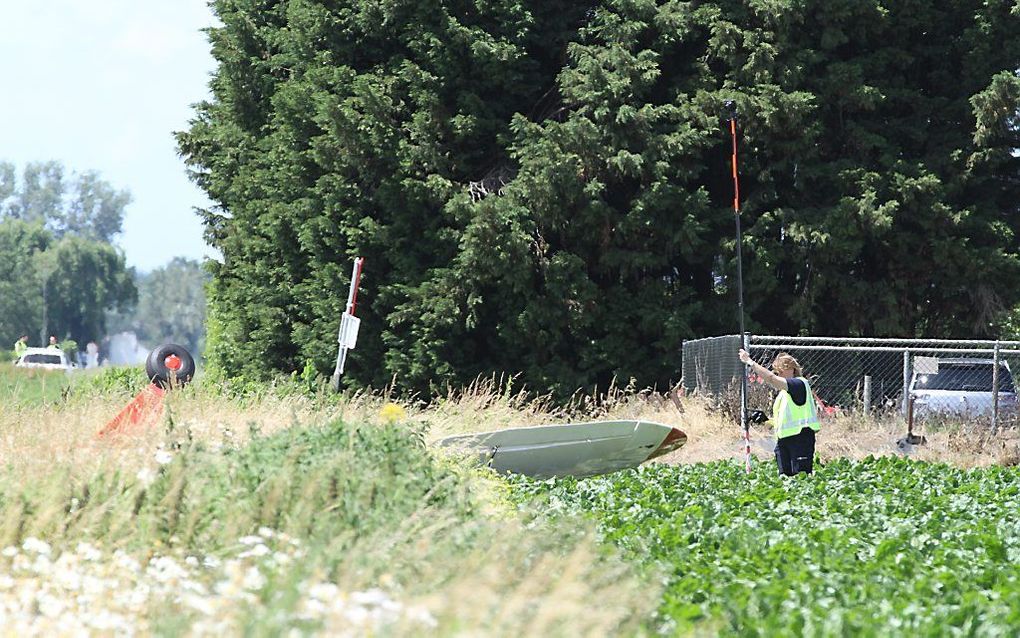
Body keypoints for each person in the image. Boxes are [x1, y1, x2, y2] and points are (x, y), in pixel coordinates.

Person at [738, 349, 820, 476]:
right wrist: (765, 421)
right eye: (777, 371)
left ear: (791, 369)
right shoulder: (783, 394)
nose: (779, 374)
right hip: (783, 442)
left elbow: (771, 379)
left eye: (781, 371)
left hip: (801, 439)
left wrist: (750, 362)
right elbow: (781, 421)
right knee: (784, 479)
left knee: (801, 479)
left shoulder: (799, 384)